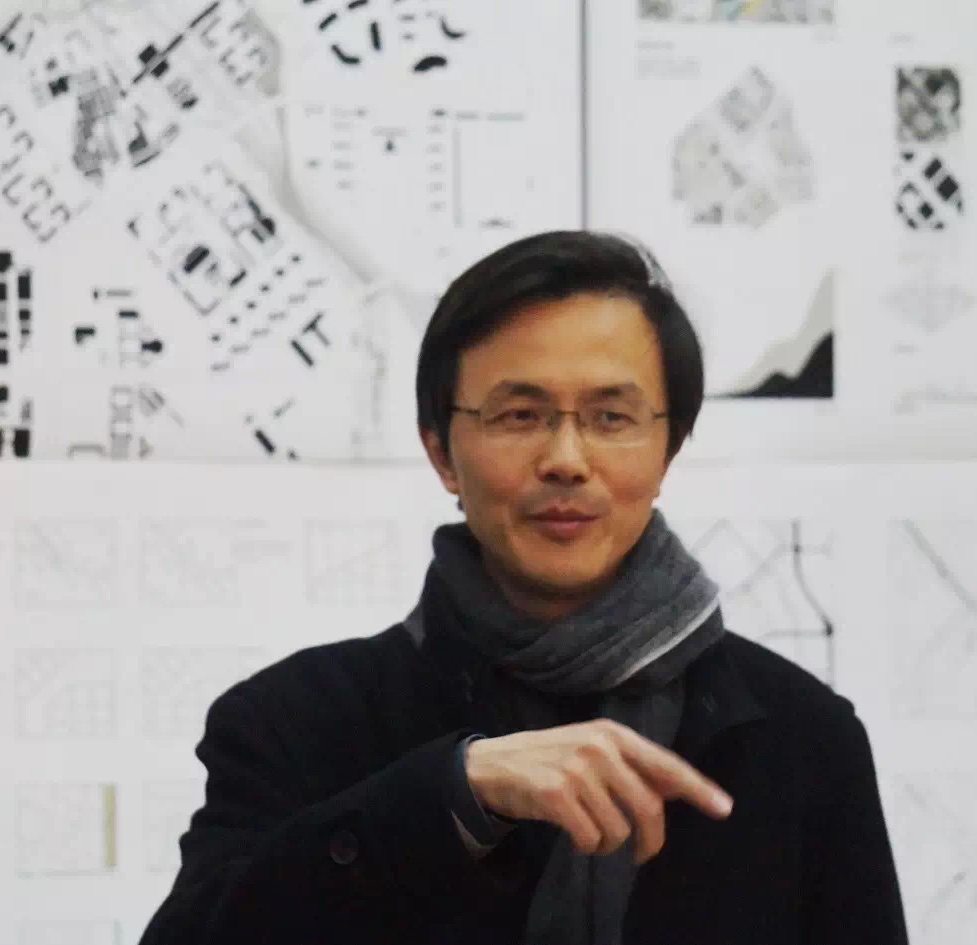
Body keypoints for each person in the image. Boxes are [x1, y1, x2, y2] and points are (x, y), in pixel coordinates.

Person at [136, 230, 910, 944]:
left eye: (612, 416)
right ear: (441, 452)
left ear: (668, 448)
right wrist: (453, 795)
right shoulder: (293, 721)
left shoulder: (804, 740)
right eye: (519, 414)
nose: (566, 458)